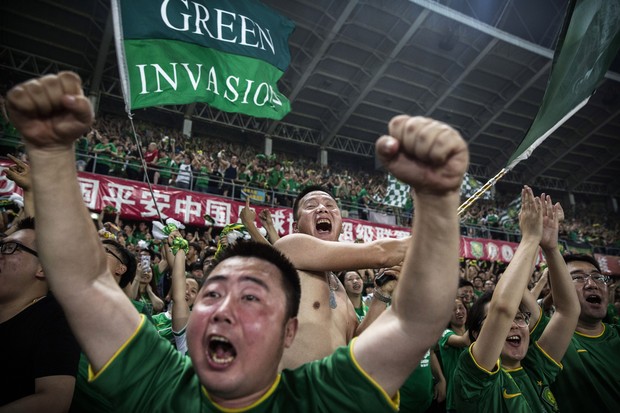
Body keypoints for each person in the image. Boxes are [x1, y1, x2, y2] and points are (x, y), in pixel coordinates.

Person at [7, 71, 467, 411]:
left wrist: (439, 202)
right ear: (192, 324)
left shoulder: (321, 396)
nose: (225, 306)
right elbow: (85, 281)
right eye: (211, 293)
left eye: (250, 296)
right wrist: (51, 159)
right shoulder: (168, 387)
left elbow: (413, 324)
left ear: (285, 329)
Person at [453, 189, 580, 412]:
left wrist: (551, 248)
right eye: (495, 320)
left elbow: (568, 311)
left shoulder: (535, 367)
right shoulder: (472, 377)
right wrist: (530, 238)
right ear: (475, 335)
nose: (513, 323)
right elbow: (502, 309)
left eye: (520, 318)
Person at [273, 184, 411, 370]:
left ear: (341, 225)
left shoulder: (338, 286)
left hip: (332, 394)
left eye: (330, 205)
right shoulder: (289, 247)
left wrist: (382, 294)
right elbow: (381, 254)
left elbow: (356, 344)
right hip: (293, 394)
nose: (322, 208)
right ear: (296, 227)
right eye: (311, 205)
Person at [0, 217, 80, 412]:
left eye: (10, 248)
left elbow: (54, 400)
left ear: (43, 268)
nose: (1, 254)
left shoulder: (56, 320)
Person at [528, 253, 620, 412]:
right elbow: (516, 299)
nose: (592, 284)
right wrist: (548, 249)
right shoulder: (547, 336)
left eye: (598, 277)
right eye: (578, 278)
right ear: (556, 291)